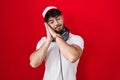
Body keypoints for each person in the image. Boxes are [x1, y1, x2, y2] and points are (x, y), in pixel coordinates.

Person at [29, 6, 84, 80]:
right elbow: (33, 63)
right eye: (51, 22)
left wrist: (56, 36)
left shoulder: (76, 39)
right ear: (47, 25)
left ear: (62, 18)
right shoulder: (43, 41)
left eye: (58, 19)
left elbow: (72, 57)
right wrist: (48, 40)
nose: (57, 23)